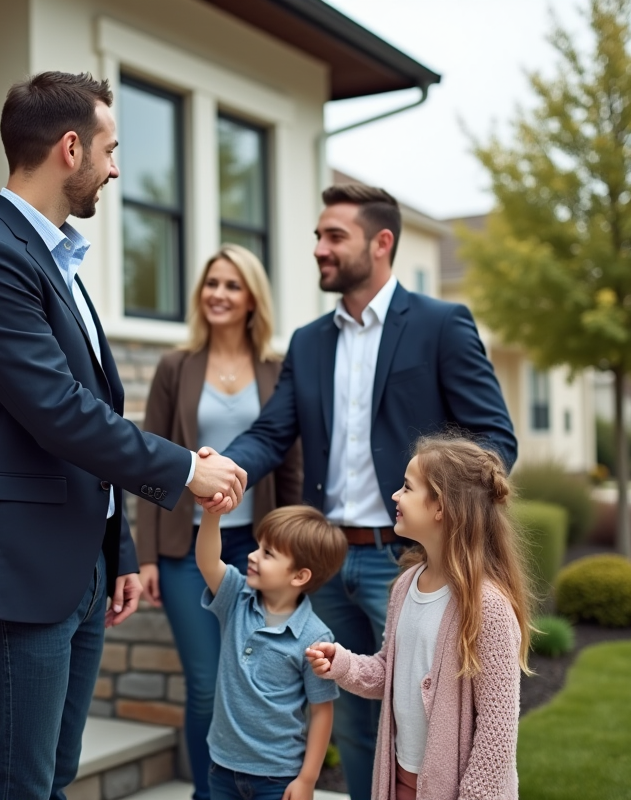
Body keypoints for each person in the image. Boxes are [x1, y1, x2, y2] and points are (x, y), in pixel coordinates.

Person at [0, 72, 246, 800]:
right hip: (19, 575)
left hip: (80, 571)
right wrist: (183, 472)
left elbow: (89, 408)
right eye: (109, 148)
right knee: (18, 785)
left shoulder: (56, 258)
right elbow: (58, 410)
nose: (116, 166)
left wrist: (119, 549)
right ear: (70, 148)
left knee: (55, 778)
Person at [220, 184, 518, 800]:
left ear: (381, 243)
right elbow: (273, 432)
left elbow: (494, 440)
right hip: (329, 561)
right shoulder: (308, 341)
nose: (320, 249)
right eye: (318, 237)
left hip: (407, 560)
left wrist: (444, 500)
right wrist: (226, 469)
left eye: (334, 237)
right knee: (355, 723)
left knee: (443, 718)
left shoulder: (441, 325)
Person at [137, 244, 302, 800]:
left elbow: (290, 463)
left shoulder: (279, 371)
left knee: (258, 682)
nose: (219, 295)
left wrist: (297, 548)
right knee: (206, 683)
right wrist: (147, 556)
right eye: (212, 284)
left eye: (232, 285)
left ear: (253, 297)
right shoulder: (174, 366)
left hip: (260, 553)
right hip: (188, 551)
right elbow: (147, 464)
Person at [305, 436, 532, 800]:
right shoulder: (405, 585)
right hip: (400, 781)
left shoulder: (487, 606)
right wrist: (342, 664)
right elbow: (388, 672)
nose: (395, 495)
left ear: (440, 506)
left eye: (407, 487)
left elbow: (498, 728)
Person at [193, 478, 348, 800]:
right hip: (221, 767)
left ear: (299, 576)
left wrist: (307, 779)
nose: (252, 555)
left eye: (268, 553)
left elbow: (322, 711)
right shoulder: (236, 596)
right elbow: (208, 561)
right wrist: (212, 514)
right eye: (257, 545)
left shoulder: (315, 637)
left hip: (276, 777)